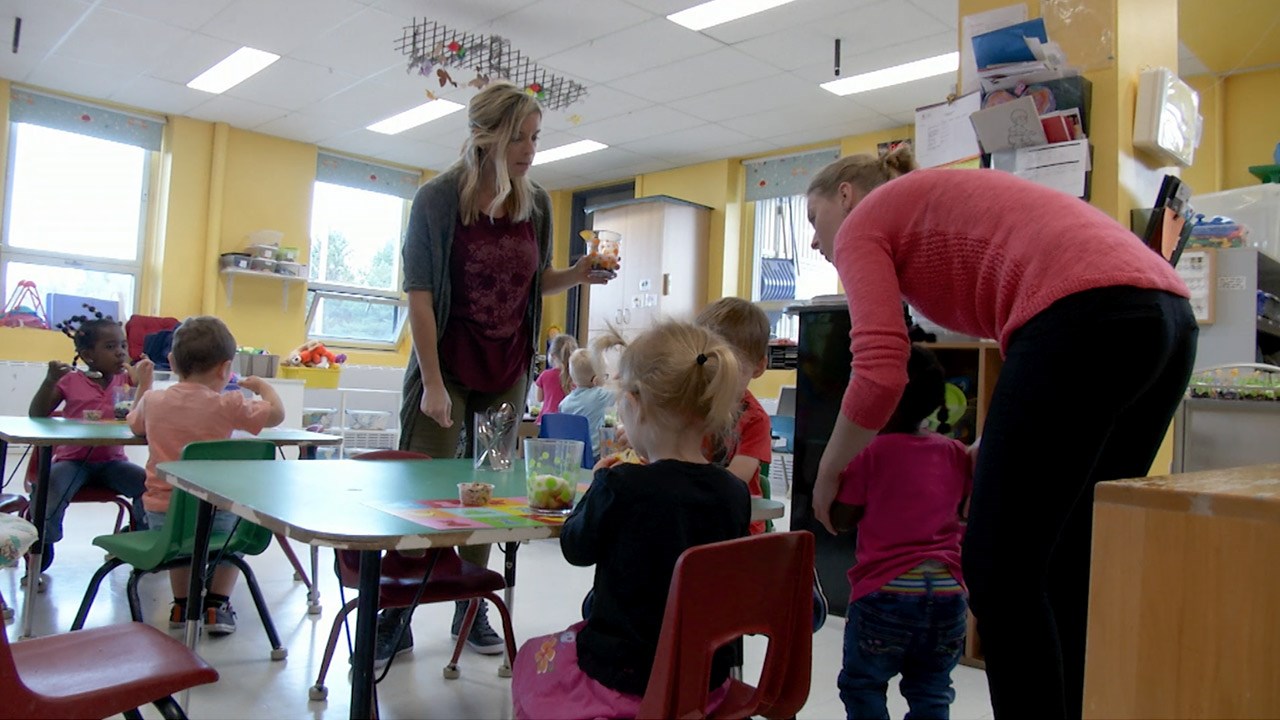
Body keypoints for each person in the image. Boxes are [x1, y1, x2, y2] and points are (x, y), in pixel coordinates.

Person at [804, 147, 1197, 719]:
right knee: (1067, 561)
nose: (816, 242)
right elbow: (1039, 364)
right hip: (1166, 320)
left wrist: (829, 471)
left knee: (1000, 573)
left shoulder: (867, 219)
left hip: (1089, 315)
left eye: (814, 220)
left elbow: (882, 368)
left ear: (845, 193)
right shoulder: (932, 206)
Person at [397, 80, 616, 663]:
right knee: (426, 492)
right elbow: (420, 297)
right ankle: (395, 614)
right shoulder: (438, 200)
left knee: (487, 495)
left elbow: (533, 279)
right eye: (518, 137)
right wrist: (434, 384)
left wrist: (576, 274)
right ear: (482, 136)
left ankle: (469, 611)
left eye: (535, 136)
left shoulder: (535, 202)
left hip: (505, 371)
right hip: (446, 369)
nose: (529, 149)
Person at [510, 320, 750, 720]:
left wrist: (599, 486)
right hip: (706, 684)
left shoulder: (622, 483)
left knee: (531, 659)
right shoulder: (734, 492)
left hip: (622, 678)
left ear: (634, 404)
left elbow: (576, 548)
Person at [831, 344, 972, 719]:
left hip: (886, 592)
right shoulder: (954, 452)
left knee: (863, 685)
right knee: (931, 689)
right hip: (948, 593)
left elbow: (842, 519)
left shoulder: (870, 454)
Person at [126, 316, 285, 635]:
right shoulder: (229, 403)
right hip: (217, 509)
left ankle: (183, 605)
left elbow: (134, 424)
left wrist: (143, 386)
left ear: (171, 362)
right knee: (235, 531)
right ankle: (216, 605)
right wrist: (264, 386)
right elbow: (277, 415)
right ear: (225, 368)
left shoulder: (154, 401)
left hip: (162, 512)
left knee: (180, 548)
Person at [28, 306, 150, 572]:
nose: (120, 352)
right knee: (49, 488)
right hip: (73, 461)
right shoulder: (71, 380)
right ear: (87, 356)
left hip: (112, 462)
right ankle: (42, 544)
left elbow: (145, 416)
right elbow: (37, 414)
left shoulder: (128, 380)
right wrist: (50, 381)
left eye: (122, 345)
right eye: (110, 346)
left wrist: (144, 383)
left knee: (149, 485)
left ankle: (139, 534)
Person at [696, 297, 774, 535]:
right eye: (709, 362)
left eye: (731, 366)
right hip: (695, 514)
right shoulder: (690, 405)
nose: (718, 375)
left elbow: (736, 479)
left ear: (758, 367)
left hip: (738, 524)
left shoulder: (755, 419)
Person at [557, 349, 613, 459]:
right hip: (595, 456)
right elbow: (622, 394)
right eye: (605, 375)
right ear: (596, 380)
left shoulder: (564, 403)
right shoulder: (600, 396)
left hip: (573, 456)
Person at [535, 333, 578, 422]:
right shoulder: (576, 377)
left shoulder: (545, 375)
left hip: (548, 421)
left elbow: (540, 398)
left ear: (552, 355)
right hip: (569, 421)